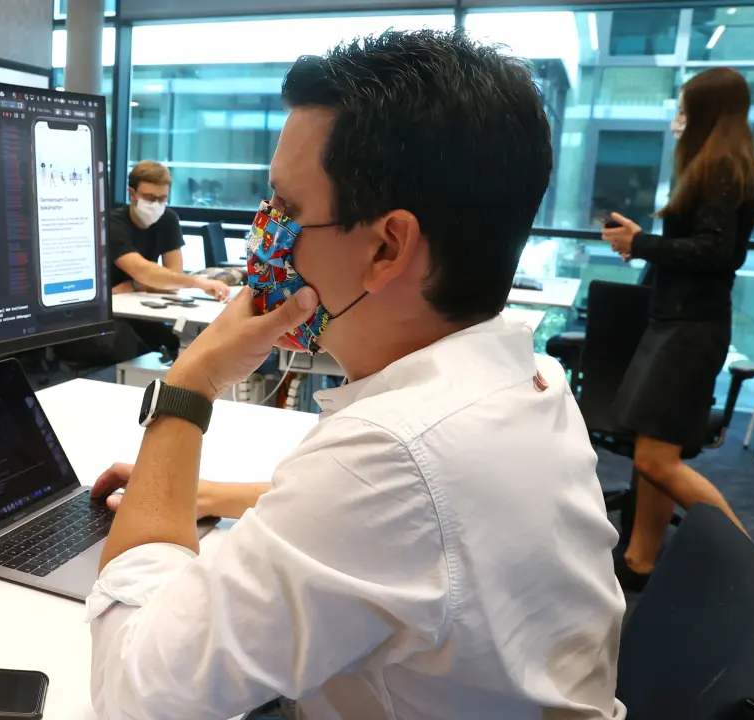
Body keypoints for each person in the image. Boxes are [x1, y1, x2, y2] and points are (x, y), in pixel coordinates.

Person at [87, 30, 626, 719]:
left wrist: (189, 386)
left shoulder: (391, 455)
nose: (265, 231)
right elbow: (426, 528)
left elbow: (133, 693)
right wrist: (230, 498)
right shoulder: (525, 377)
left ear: (386, 247)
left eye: (286, 210)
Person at [602, 67, 754, 591]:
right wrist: (644, 243)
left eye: (684, 108)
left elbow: (715, 253)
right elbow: (706, 248)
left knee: (655, 459)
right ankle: (641, 559)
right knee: (658, 451)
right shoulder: (721, 166)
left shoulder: (721, 167)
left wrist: (640, 244)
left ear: (706, 112)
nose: (678, 118)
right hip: (682, 324)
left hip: (689, 331)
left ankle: (750, 564)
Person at [108, 160, 231, 357]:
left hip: (141, 305)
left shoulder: (168, 219)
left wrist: (134, 285)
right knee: (136, 348)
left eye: (162, 199)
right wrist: (197, 282)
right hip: (112, 312)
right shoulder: (112, 224)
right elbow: (144, 271)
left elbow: (174, 279)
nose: (156, 205)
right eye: (149, 198)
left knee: (178, 345)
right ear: (132, 194)